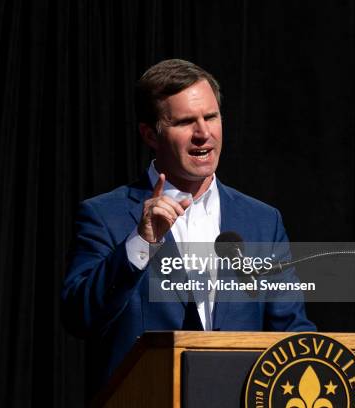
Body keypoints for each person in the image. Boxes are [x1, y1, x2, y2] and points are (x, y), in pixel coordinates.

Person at [61, 59, 316, 399]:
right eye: (185, 121)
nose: (203, 133)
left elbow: (291, 330)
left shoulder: (261, 221)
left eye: (211, 117)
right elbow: (81, 317)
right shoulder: (105, 215)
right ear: (150, 134)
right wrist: (140, 243)